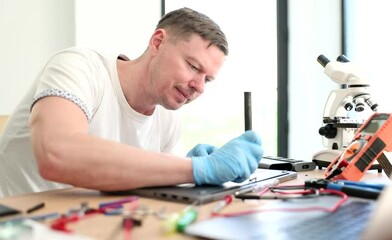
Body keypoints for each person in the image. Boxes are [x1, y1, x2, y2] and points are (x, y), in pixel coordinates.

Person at [0, 7, 263, 198]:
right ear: (157, 42)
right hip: (20, 224)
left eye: (209, 80)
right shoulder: (79, 68)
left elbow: (151, 181)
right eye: (193, 67)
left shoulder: (169, 118)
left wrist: (186, 175)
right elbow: (56, 154)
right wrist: (196, 169)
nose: (199, 87)